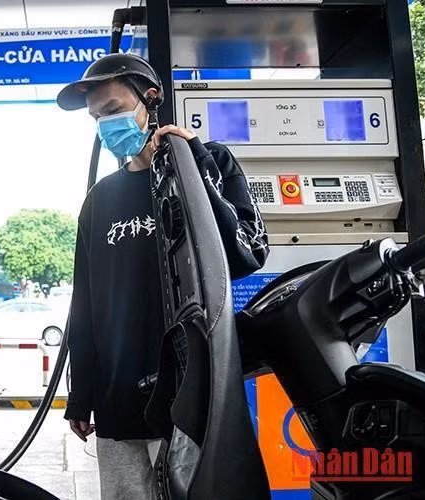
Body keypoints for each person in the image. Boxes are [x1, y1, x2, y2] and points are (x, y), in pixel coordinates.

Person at [56, 53, 269, 499]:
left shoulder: (211, 163)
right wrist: (82, 393)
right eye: (97, 118)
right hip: (118, 399)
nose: (105, 125)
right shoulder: (101, 199)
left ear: (150, 100)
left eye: (113, 110)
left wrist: (196, 170)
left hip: (190, 397)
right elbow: (86, 301)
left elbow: (249, 254)